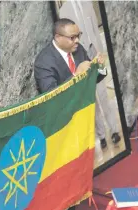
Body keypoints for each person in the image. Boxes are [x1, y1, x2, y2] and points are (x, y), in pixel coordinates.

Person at [33, 18, 106, 210]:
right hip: (56, 128)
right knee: (55, 179)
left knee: (74, 173)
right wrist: (77, 76)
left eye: (78, 36)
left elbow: (92, 79)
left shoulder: (78, 50)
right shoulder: (45, 62)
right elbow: (52, 95)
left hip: (78, 123)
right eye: (72, 37)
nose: (77, 41)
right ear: (58, 38)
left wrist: (98, 67)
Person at [59, 0, 122, 148]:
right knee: (91, 99)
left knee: (104, 95)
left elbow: (94, 27)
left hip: (96, 56)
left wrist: (101, 52)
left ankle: (114, 130)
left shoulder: (87, 3)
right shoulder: (63, 12)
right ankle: (101, 135)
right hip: (80, 60)